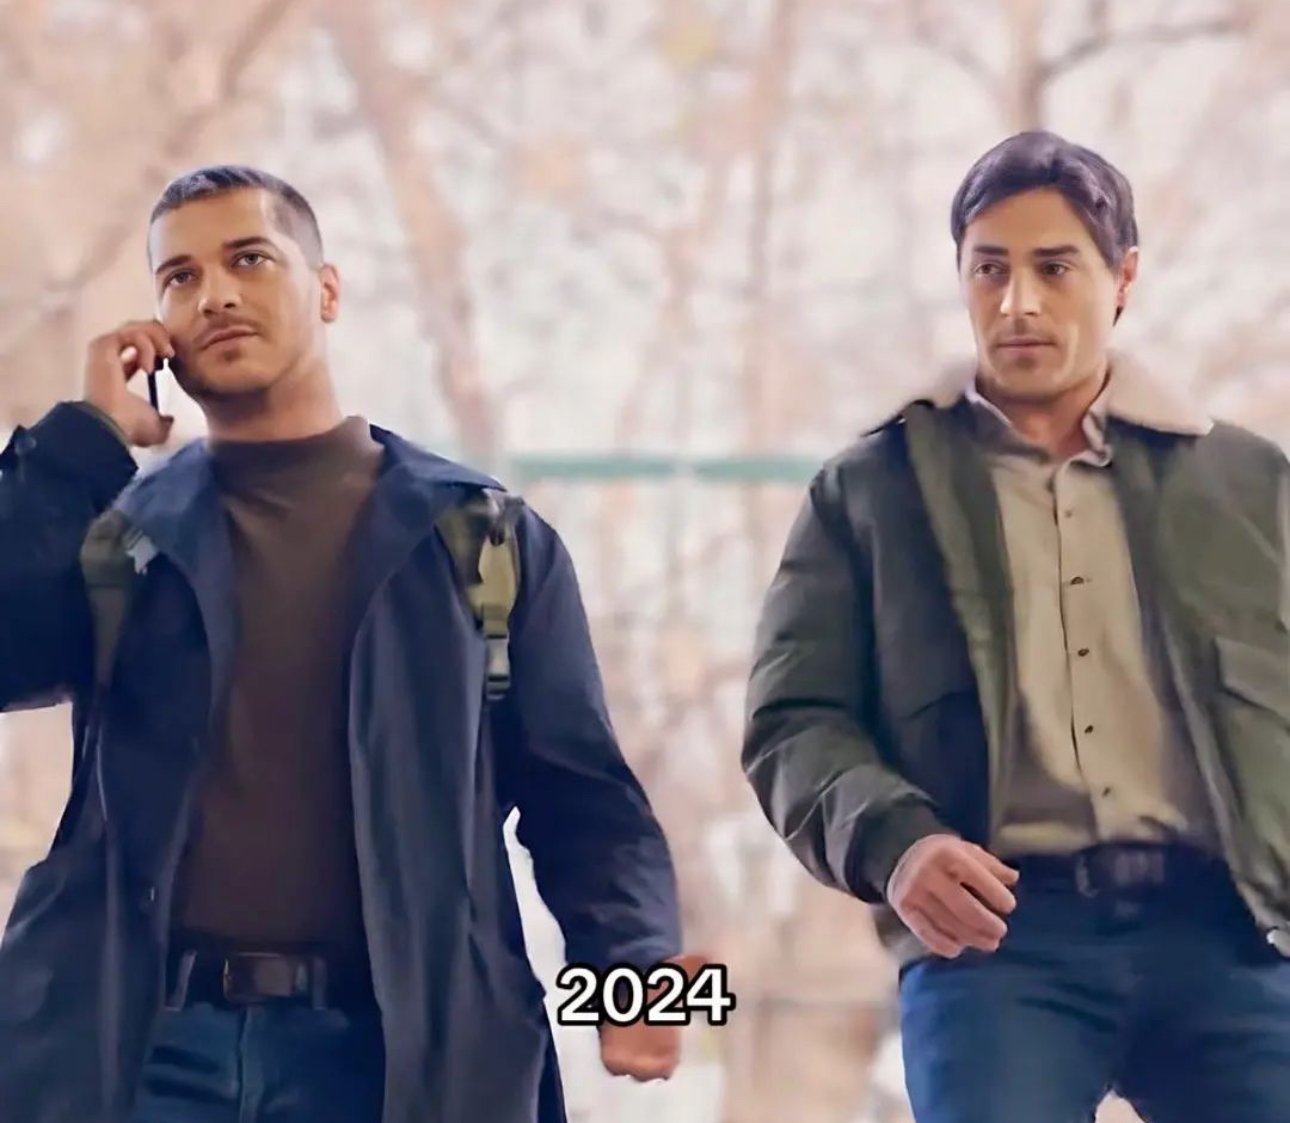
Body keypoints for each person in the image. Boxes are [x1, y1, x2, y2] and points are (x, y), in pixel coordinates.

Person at [0, 165, 694, 1123]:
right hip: (138, 1054)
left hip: (393, 1058)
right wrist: (80, 442)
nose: (214, 295)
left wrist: (639, 977)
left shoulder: (480, 537)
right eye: (180, 278)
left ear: (327, 290)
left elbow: (584, 796)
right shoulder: (123, 536)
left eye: (249, 259)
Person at [742, 130, 1290, 1122]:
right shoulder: (872, 493)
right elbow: (794, 721)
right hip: (995, 941)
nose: (1018, 302)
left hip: (1231, 931)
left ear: (1123, 279)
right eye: (990, 269)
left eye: (1055, 268)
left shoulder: (1250, 487)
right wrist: (898, 844)